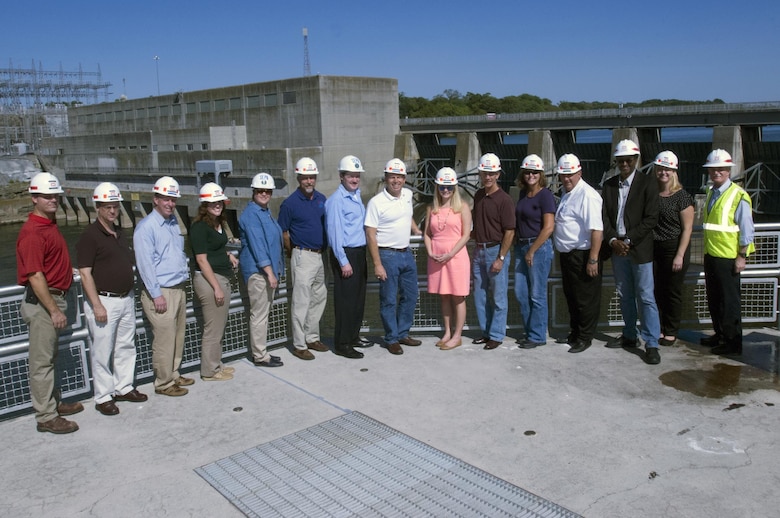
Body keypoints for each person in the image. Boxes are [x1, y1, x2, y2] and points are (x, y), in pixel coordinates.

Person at [17, 173, 82, 434]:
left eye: (55, 196)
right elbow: (35, 275)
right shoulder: (33, 232)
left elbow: (47, 264)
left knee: (50, 357)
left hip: (54, 297)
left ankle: (52, 403)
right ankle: (45, 416)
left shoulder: (48, 225)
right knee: (42, 361)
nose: (53, 200)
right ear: (35, 198)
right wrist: (53, 310)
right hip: (45, 304)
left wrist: (67, 270)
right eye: (47, 196)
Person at [77, 182, 147, 416]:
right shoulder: (90, 236)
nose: (112, 211)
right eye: (107, 207)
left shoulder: (119, 233)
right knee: (102, 349)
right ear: (97, 207)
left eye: (115, 206)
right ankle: (104, 396)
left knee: (126, 345)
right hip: (104, 301)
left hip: (125, 298)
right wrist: (96, 304)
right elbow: (85, 272)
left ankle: (123, 386)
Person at [601, 139, 662, 365]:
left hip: (639, 250)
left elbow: (651, 218)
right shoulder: (609, 185)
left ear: (636, 160)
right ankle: (629, 334)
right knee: (624, 294)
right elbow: (605, 217)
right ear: (616, 161)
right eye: (620, 161)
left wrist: (627, 239)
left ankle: (652, 343)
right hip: (618, 249)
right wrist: (613, 240)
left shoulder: (648, 184)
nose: (624, 164)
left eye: (628, 160)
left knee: (646, 296)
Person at [134, 176, 192, 397]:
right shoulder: (146, 228)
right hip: (161, 292)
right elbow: (145, 265)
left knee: (177, 335)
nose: (170, 204)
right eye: (166, 199)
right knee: (164, 339)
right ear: (155, 199)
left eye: (173, 200)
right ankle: (163, 382)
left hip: (178, 287)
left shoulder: (172, 223)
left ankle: (174, 373)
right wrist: (156, 294)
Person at [365, 158, 423, 355]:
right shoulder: (376, 203)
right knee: (389, 299)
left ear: (405, 179)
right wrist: (377, 264)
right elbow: (370, 234)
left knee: (411, 295)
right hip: (387, 255)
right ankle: (391, 338)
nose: (396, 180)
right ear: (386, 178)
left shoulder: (407, 195)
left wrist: (415, 229)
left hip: (406, 253)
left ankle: (403, 333)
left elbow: (407, 214)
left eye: (399, 177)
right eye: (392, 177)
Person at [700, 149, 755, 355]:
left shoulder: (738, 195)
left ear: (728, 171)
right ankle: (719, 334)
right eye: (713, 169)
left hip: (729, 257)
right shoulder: (710, 191)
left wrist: (742, 256)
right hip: (711, 253)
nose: (717, 172)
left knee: (730, 301)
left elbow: (747, 229)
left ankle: (733, 342)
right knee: (714, 298)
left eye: (721, 169)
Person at [278, 157, 329, 361]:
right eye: (305, 178)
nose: (309, 181)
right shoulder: (289, 203)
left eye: (312, 177)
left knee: (319, 297)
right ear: (298, 178)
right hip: (302, 255)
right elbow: (284, 232)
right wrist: (294, 252)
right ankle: (299, 344)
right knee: (301, 301)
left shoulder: (321, 199)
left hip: (319, 256)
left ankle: (312, 337)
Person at [553, 154, 604, 354]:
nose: (566, 178)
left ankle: (585, 337)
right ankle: (575, 332)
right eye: (563, 175)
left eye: (570, 175)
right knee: (572, 297)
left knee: (585, 299)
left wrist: (593, 259)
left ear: (579, 173)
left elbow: (596, 230)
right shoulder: (568, 193)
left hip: (582, 255)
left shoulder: (587, 195)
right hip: (568, 256)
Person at [190, 182, 240, 381]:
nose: (217, 205)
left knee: (219, 325)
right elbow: (201, 259)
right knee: (213, 328)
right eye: (213, 203)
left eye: (219, 202)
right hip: (210, 280)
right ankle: (209, 371)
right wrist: (216, 287)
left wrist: (228, 255)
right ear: (204, 205)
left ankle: (217, 364)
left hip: (220, 276)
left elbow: (214, 249)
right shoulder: (199, 227)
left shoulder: (218, 224)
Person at [325, 155, 372, 359]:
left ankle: (353, 336)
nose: (354, 179)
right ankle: (342, 343)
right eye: (350, 176)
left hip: (359, 252)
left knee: (358, 299)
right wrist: (343, 261)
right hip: (346, 254)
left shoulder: (355, 196)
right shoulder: (336, 200)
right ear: (341, 176)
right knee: (345, 301)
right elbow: (334, 233)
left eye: (357, 176)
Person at [239, 173, 284, 368]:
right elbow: (258, 246)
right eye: (260, 191)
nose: (264, 194)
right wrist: (270, 273)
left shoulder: (265, 212)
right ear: (253, 192)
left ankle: (262, 351)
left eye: (267, 191)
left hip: (267, 272)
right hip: (259, 274)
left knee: (263, 314)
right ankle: (259, 355)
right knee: (259, 315)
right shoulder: (251, 215)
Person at [424, 167, 472, 350]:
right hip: (437, 257)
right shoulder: (432, 209)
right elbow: (427, 234)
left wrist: (451, 253)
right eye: (442, 187)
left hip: (456, 257)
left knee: (458, 297)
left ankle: (457, 335)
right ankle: (447, 332)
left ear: (455, 187)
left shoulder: (463, 207)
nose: (446, 190)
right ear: (437, 187)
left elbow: (466, 235)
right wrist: (430, 251)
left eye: (449, 187)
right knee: (444, 296)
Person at [471, 152, 515, 350]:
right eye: (484, 173)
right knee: (479, 295)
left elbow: (509, 231)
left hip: (495, 251)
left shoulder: (504, 200)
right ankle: (486, 332)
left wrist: (501, 257)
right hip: (479, 250)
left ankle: (497, 334)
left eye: (491, 173)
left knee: (498, 297)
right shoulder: (478, 195)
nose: (487, 177)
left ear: (498, 174)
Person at [513, 154, 556, 349]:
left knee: (537, 294)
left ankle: (538, 336)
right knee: (521, 292)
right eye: (528, 172)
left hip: (537, 248)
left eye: (535, 172)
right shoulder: (523, 194)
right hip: (521, 246)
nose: (531, 175)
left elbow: (548, 227)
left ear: (541, 174)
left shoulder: (545, 195)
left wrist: (532, 250)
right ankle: (530, 331)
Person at [652, 151, 694, 347]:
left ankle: (671, 330)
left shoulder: (682, 197)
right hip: (655, 249)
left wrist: (680, 255)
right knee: (657, 291)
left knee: (673, 292)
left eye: (667, 169)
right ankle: (659, 327)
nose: (663, 172)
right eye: (660, 168)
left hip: (674, 249)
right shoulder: (653, 193)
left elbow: (687, 229)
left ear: (674, 171)